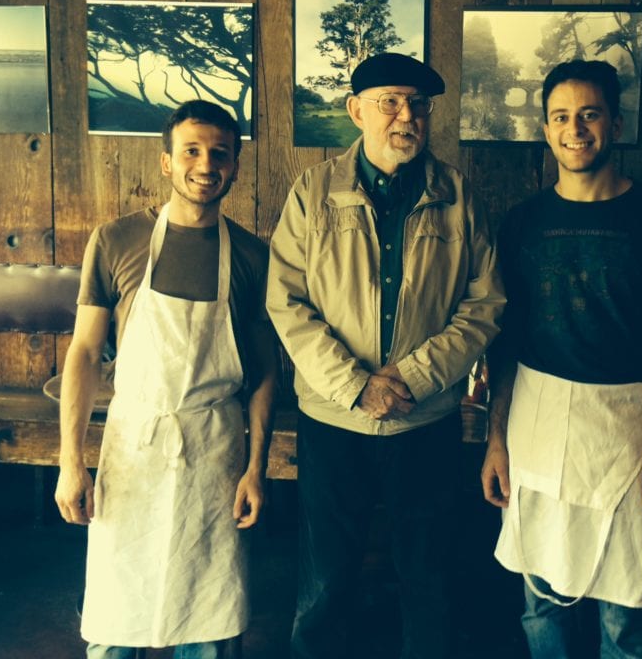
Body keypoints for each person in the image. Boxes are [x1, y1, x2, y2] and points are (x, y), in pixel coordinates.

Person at [267, 52, 506, 659]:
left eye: (418, 105)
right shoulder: (313, 191)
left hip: (424, 420)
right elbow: (287, 302)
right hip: (333, 418)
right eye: (390, 102)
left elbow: (484, 304)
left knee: (429, 576)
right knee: (325, 582)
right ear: (355, 111)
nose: (407, 116)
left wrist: (413, 377)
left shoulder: (456, 193)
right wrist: (355, 385)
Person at [481, 60, 642, 658]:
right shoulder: (524, 223)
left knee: (626, 613)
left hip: (629, 431)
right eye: (561, 116)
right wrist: (495, 439)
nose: (574, 128)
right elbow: (506, 337)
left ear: (616, 121)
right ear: (546, 128)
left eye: (589, 114)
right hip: (537, 423)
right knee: (539, 600)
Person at [54, 100, 277, 658]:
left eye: (219, 154)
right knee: (117, 613)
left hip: (214, 453)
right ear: (166, 162)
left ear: (235, 164)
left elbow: (264, 371)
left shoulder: (250, 256)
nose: (206, 165)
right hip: (132, 446)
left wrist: (255, 468)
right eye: (192, 151)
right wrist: (70, 460)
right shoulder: (116, 240)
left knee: (209, 616)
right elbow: (83, 351)